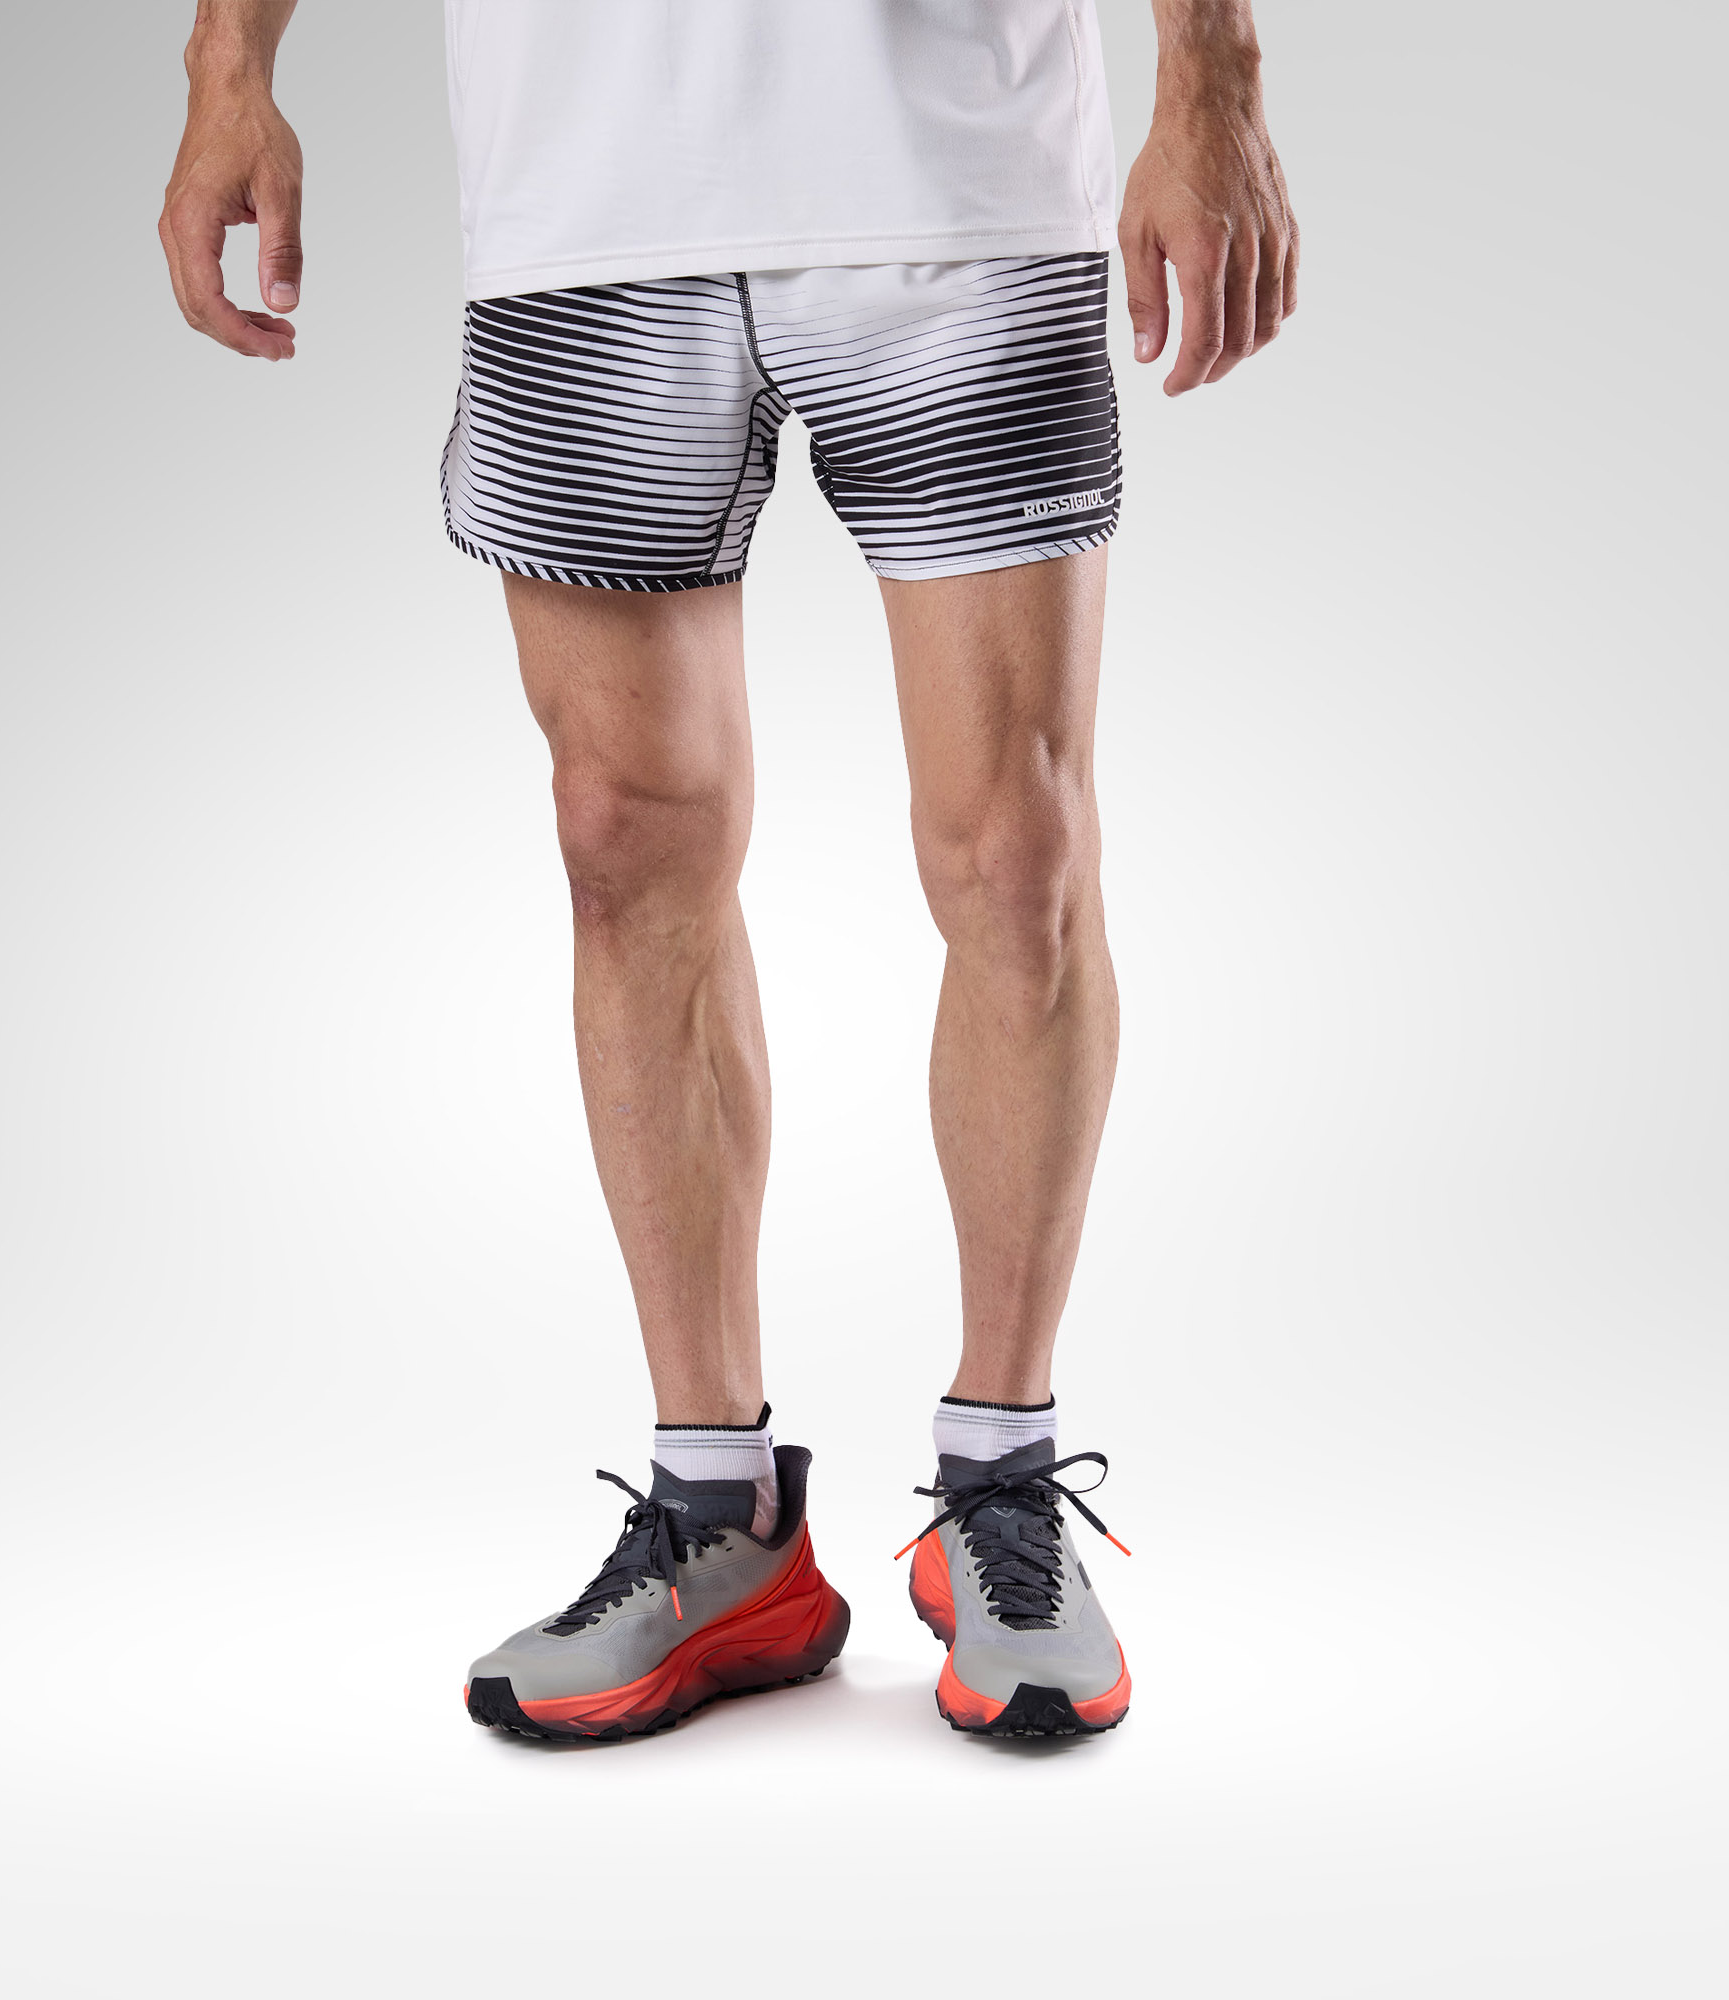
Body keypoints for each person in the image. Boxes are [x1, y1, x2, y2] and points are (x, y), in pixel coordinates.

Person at [160, 0, 1297, 1742]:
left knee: (1018, 851)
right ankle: (720, 1517)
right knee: (620, 835)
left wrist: (1212, 75)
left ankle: (1000, 1483)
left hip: (953, 168)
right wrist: (228, 68)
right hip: (585, 182)